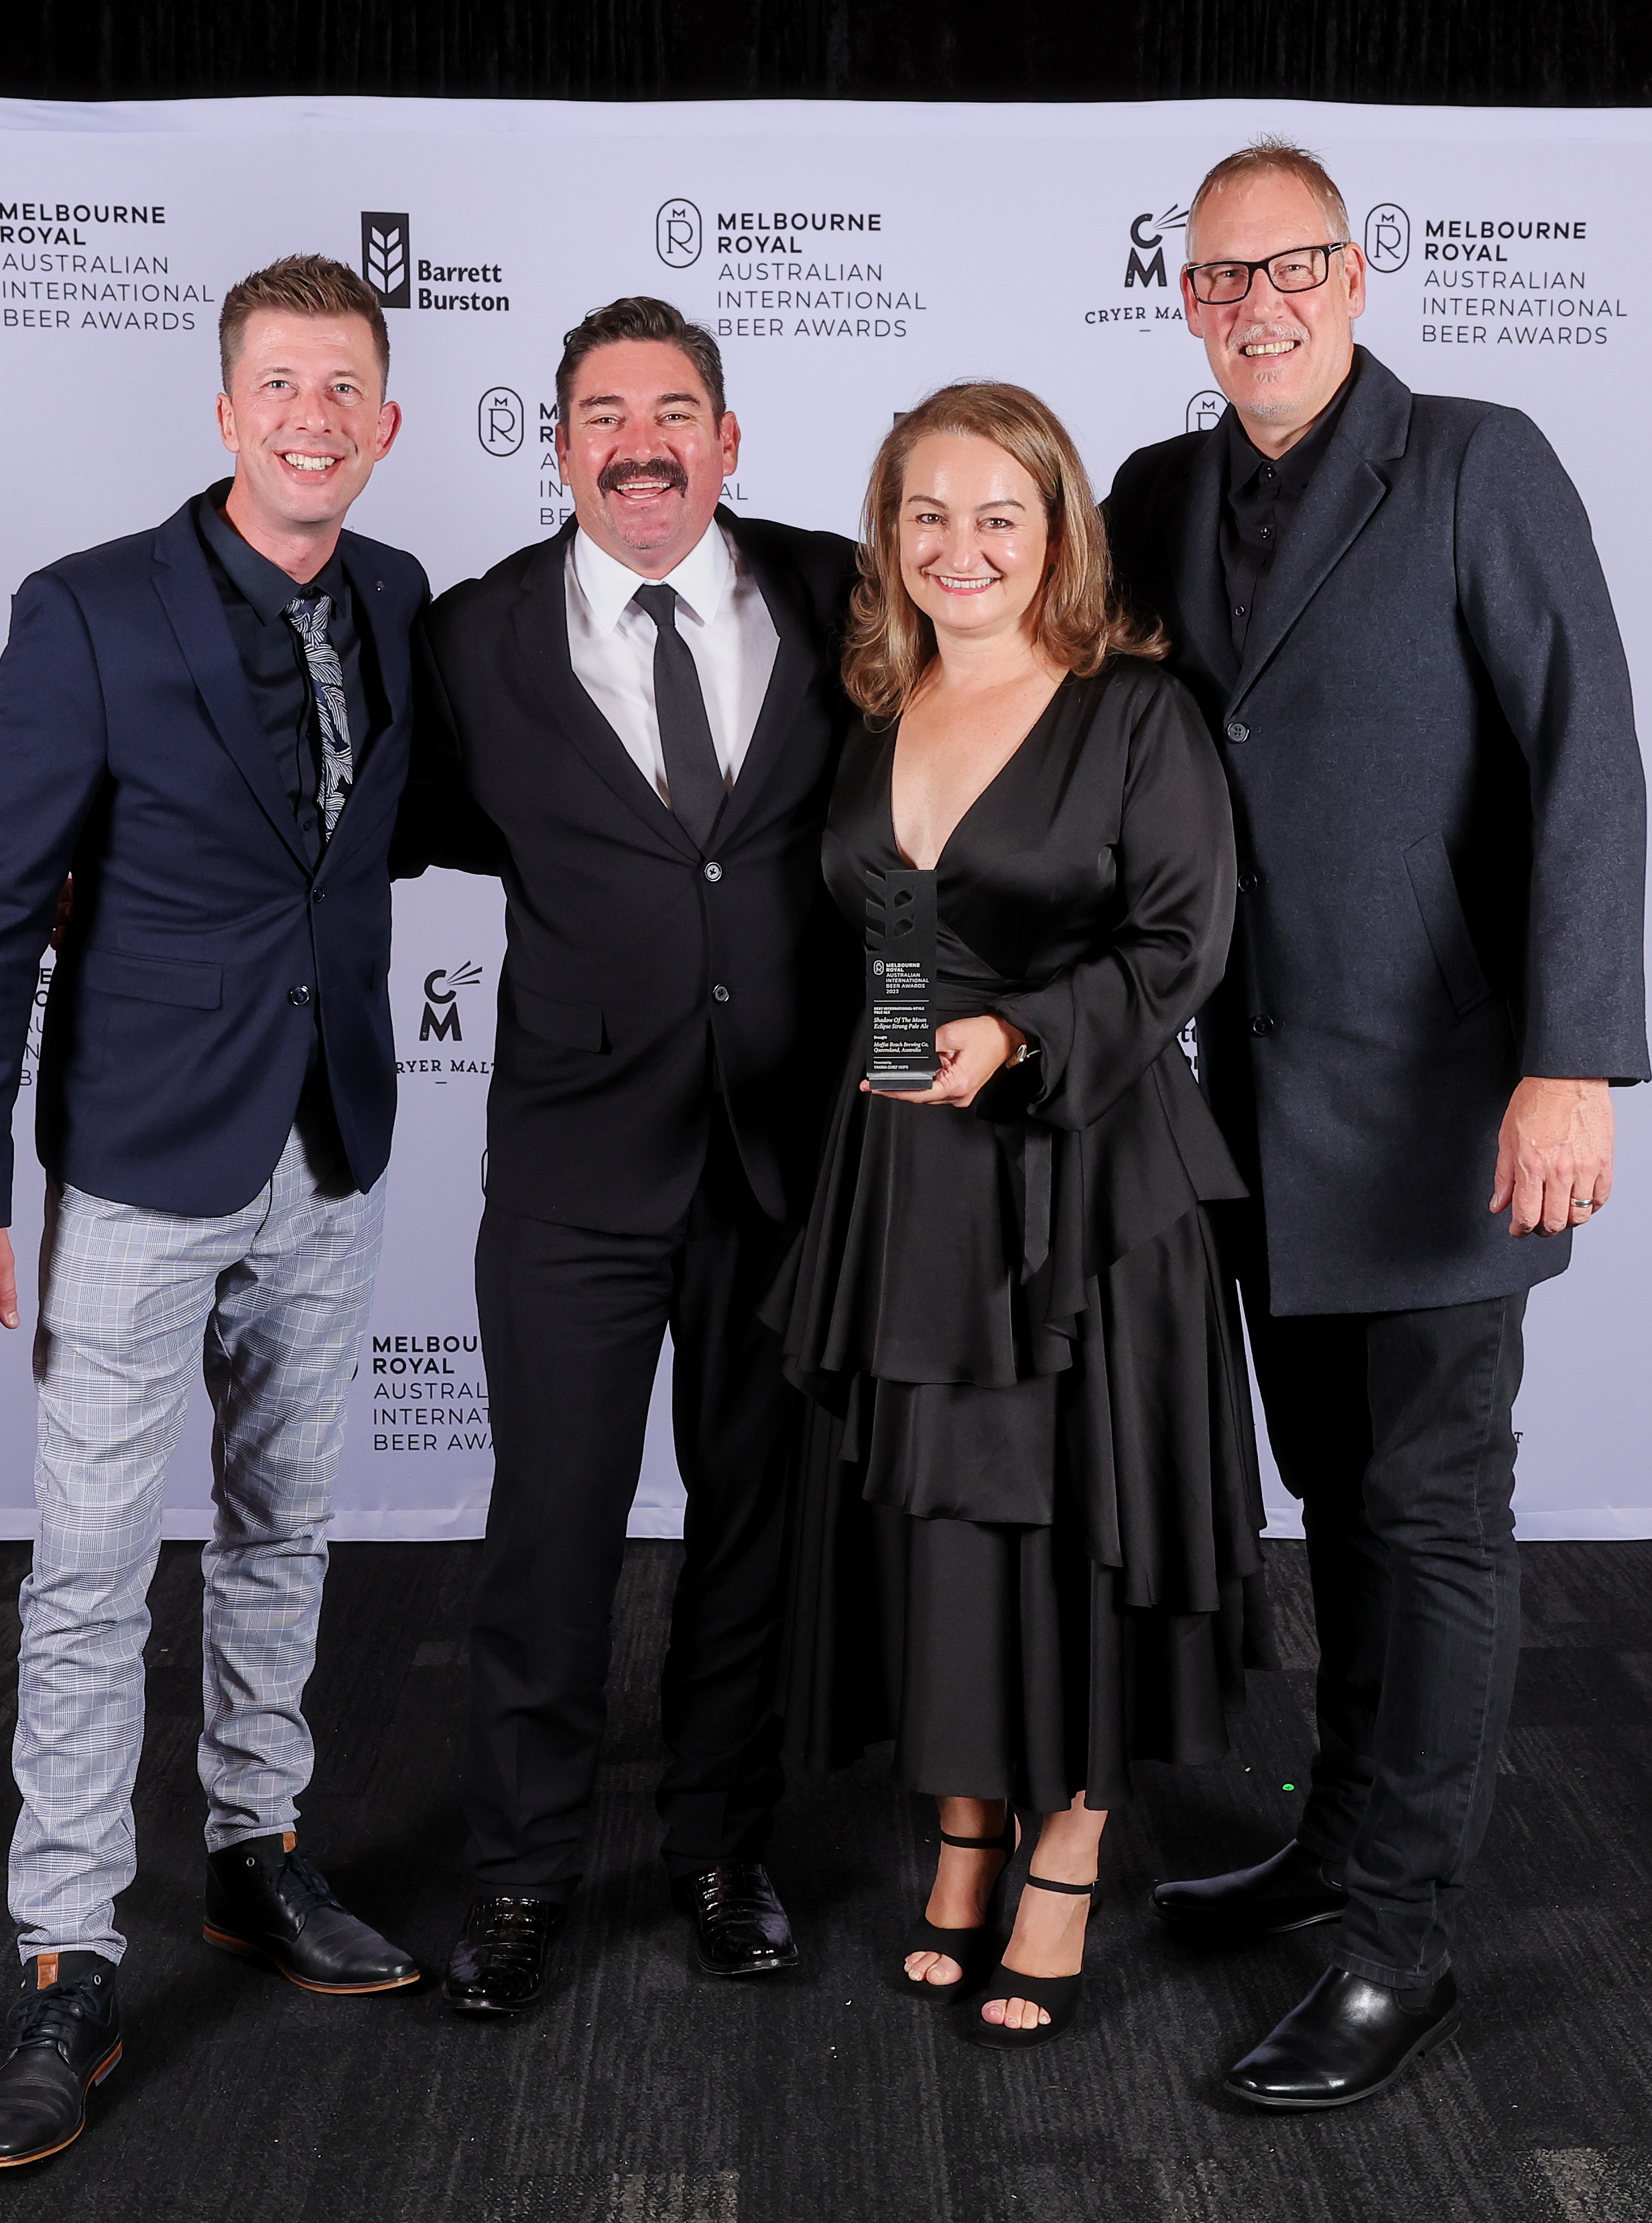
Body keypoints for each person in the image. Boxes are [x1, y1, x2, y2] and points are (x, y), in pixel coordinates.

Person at [1103, 138, 1649, 2108]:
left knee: (1430, 1516)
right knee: (1329, 1496)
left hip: (1444, 1106)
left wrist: (1572, 1057)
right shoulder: (1155, 492)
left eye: (1290, 268)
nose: (1254, 305)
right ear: (1184, 298)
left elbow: (1587, 754)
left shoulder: (1479, 462)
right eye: (1218, 276)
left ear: (1352, 275)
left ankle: (1399, 1943)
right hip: (1245, 1105)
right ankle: (1334, 1838)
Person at [0, 255, 431, 2172]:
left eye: (345, 386)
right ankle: (66, 1955)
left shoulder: (395, 597)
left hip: (329, 1142)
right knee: (91, 1567)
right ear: (225, 412)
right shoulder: (87, 610)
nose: (313, 416)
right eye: (280, 384)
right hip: (138, 1159)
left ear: (386, 421)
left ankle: (252, 1850)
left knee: (285, 1523)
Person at [769, 380, 1270, 2048]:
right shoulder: (876, 703)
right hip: (907, 1170)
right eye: (927, 514)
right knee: (944, 1519)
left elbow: (1182, 944)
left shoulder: (1136, 710)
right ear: (887, 534)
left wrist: (1022, 1038)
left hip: (1084, 1180)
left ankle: (1068, 1843)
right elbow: (881, 937)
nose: (960, 546)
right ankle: (967, 1822)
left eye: (999, 514)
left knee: (1071, 1511)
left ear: (1059, 531)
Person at [394, 298, 856, 2014]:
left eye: (673, 413)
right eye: (603, 414)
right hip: (576, 1162)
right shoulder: (473, 638)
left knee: (753, 1530)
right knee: (551, 1536)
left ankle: (720, 1848)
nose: (639, 444)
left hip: (786, 1160)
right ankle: (521, 1877)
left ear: (727, 442)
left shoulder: (837, 591)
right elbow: (404, 828)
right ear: (560, 445)